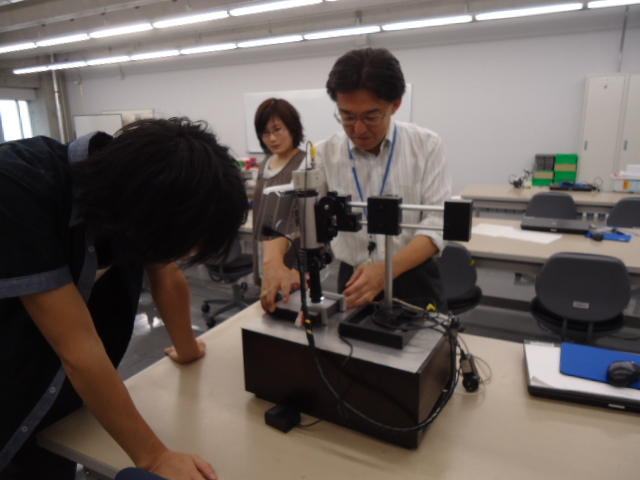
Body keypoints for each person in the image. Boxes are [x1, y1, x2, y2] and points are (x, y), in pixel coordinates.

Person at [0, 118, 248, 480]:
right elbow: (78, 348)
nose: (183, 255)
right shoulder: (19, 186)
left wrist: (187, 348)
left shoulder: (133, 197)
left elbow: (166, 275)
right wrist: (154, 457)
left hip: (50, 400)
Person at [260, 47, 451, 313]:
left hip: (413, 276)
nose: (359, 129)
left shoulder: (426, 146)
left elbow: (437, 223)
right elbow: (287, 210)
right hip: (353, 278)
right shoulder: (324, 154)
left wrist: (386, 270)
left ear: (395, 105)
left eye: (371, 116)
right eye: (347, 117)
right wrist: (273, 264)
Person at [252, 98, 306, 303]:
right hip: (264, 246)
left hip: (293, 254)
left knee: (291, 302)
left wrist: (298, 267)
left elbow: (310, 219)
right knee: (268, 298)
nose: (272, 138)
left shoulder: (304, 164)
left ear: (292, 127)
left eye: (278, 129)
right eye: (265, 133)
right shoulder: (265, 163)